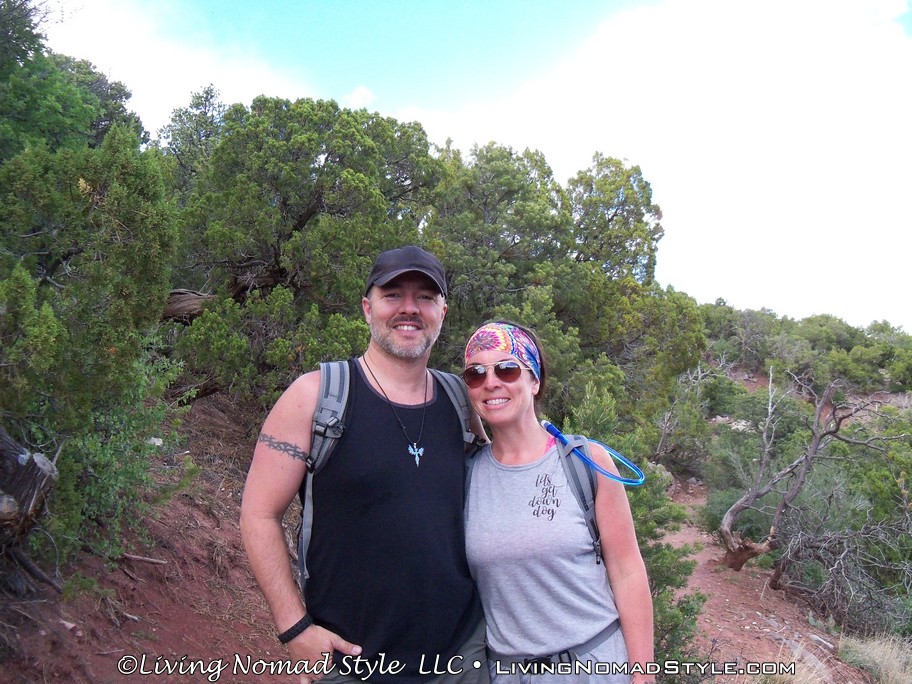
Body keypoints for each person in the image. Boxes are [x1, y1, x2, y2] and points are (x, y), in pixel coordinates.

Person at [240, 246, 487, 684]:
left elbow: (514, 469)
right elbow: (259, 515)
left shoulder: (461, 402)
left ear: (443, 312)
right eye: (393, 294)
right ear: (367, 307)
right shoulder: (316, 396)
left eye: (425, 297)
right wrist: (294, 629)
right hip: (351, 661)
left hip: (460, 659)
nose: (409, 308)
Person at [462, 321, 655, 684]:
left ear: (534, 381)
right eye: (476, 374)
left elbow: (627, 570)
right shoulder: (466, 476)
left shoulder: (585, 461)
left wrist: (643, 675)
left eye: (507, 368)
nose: (491, 382)